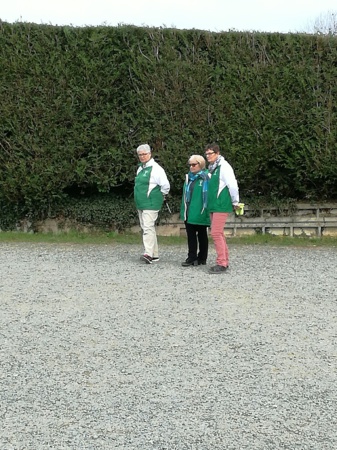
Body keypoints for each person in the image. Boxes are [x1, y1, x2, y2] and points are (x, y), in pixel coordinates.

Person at [205, 143, 240, 274]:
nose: (208, 156)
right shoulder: (212, 168)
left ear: (217, 153)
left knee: (215, 233)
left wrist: (235, 200)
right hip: (214, 204)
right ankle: (224, 260)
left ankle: (222, 263)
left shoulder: (224, 167)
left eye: (210, 153)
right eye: (207, 154)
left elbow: (232, 184)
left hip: (221, 204)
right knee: (218, 233)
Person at [134, 144, 170, 264]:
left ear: (150, 154)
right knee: (147, 227)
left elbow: (165, 186)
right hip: (141, 203)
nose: (142, 157)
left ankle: (148, 253)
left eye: (144, 154)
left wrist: (160, 196)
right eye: (140, 155)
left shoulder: (156, 169)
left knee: (148, 227)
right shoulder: (140, 168)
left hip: (151, 202)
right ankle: (154, 254)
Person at [180, 155, 210, 266]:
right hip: (189, 210)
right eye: (190, 165)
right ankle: (191, 257)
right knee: (190, 235)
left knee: (202, 235)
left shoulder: (207, 177)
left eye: (194, 164)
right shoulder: (189, 178)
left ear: (201, 164)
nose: (191, 167)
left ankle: (202, 258)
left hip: (201, 210)